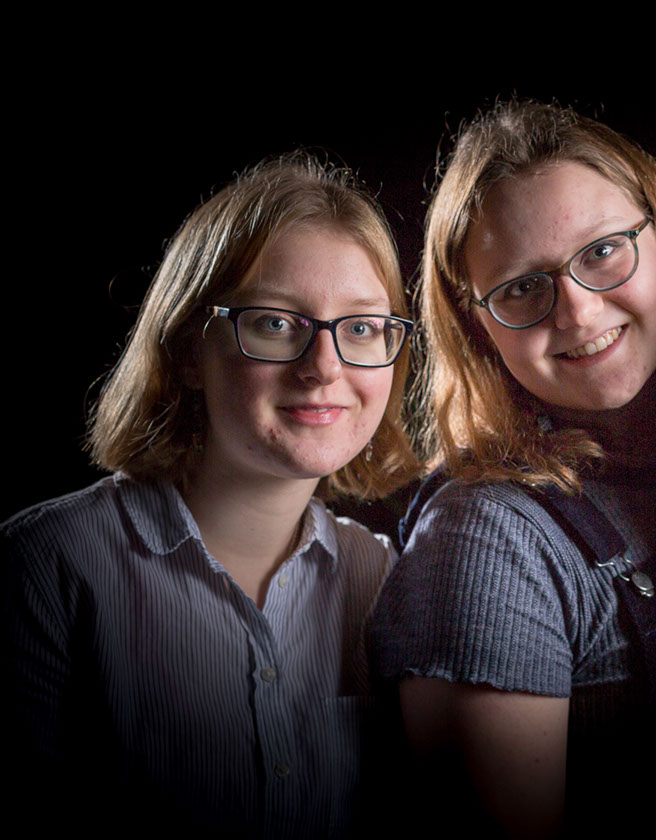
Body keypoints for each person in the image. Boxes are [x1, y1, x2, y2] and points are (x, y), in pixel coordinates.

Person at [368, 100, 656, 837]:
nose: (576, 311)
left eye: (603, 251)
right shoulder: (487, 540)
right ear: (476, 323)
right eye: (522, 287)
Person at [2, 153, 417, 838]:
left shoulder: (383, 579)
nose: (324, 367)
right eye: (275, 323)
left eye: (362, 327)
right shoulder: (48, 566)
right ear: (189, 351)